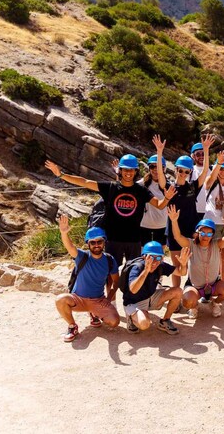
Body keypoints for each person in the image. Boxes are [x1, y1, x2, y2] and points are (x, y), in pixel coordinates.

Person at [45, 156, 175, 278]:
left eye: (132, 170)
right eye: (125, 170)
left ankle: (129, 299)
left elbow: (159, 205)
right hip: (113, 239)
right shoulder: (111, 187)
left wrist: (167, 197)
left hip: (134, 239)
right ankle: (111, 300)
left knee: (134, 271)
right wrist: (61, 174)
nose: (128, 173)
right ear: (120, 171)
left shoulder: (141, 190)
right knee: (110, 271)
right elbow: (85, 182)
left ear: (136, 171)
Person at [54, 216, 120, 342]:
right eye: (92, 242)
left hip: (98, 300)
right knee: (60, 300)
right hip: (78, 299)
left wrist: (109, 298)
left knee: (114, 322)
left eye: (99, 241)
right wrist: (64, 233)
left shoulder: (109, 260)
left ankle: (94, 313)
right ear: (88, 244)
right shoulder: (82, 256)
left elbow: (116, 281)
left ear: (104, 242)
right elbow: (70, 247)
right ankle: (72, 326)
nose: (96, 245)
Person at [169, 209, 224, 318]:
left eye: (209, 233)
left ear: (212, 235)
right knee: (187, 301)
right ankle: (194, 307)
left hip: (213, 284)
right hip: (195, 286)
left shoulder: (216, 244)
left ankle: (215, 303)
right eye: (203, 232)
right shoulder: (191, 244)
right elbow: (178, 237)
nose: (206, 236)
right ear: (197, 232)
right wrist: (174, 221)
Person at [122, 241, 188, 334]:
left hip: (150, 297)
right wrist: (146, 271)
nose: (155, 261)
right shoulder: (137, 267)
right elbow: (133, 289)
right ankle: (131, 317)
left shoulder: (160, 266)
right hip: (134, 302)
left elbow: (182, 273)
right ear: (144, 257)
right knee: (144, 324)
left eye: (158, 257)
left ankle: (165, 321)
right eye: (151, 257)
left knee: (178, 291)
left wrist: (183, 264)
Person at [166, 153, 208, 289]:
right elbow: (160, 177)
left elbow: (205, 171)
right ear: (176, 169)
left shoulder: (192, 187)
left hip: (191, 230)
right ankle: (176, 294)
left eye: (186, 171)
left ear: (190, 172)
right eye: (180, 170)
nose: (183, 173)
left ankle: (192, 291)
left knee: (194, 264)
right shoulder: (169, 188)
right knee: (176, 265)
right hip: (174, 229)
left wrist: (206, 149)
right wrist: (160, 151)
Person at [199, 150, 224, 284]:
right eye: (221, 169)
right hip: (213, 224)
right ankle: (209, 282)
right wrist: (218, 163)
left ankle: (223, 281)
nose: (223, 172)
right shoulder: (210, 182)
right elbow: (209, 179)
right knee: (211, 256)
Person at [138, 135, 169, 246]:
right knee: (143, 255)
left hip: (162, 225)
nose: (156, 170)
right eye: (152, 167)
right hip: (144, 225)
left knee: (159, 255)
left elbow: (161, 178)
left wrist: (159, 152)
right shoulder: (143, 183)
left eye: (159, 167)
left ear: (164, 168)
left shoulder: (167, 185)